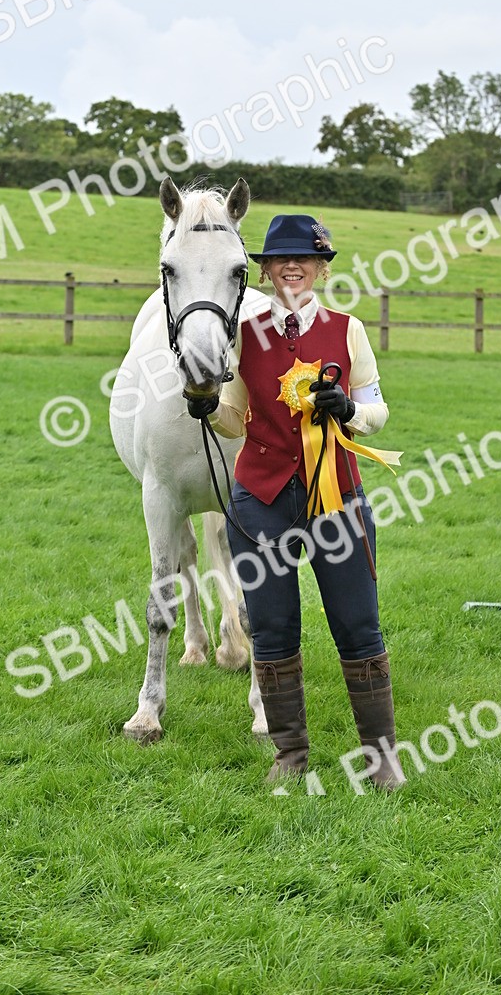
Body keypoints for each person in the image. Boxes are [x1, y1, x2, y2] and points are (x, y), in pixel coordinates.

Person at [193, 213, 405, 791]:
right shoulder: (246, 335)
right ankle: (290, 754)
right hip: (261, 497)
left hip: (337, 494)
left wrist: (350, 412)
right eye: (280, 259)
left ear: (321, 268)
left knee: (359, 624)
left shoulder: (348, 329)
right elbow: (236, 420)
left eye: (304, 259)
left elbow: (378, 408)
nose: (292, 267)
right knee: (272, 626)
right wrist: (208, 405)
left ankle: (381, 755)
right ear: (263, 271)